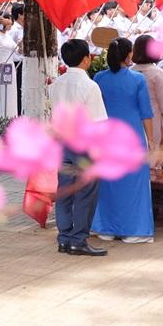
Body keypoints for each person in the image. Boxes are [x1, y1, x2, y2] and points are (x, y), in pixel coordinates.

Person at [90, 37, 156, 244]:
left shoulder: (99, 78)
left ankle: (106, 228)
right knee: (134, 185)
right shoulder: (137, 79)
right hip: (132, 138)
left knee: (108, 183)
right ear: (128, 54)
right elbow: (146, 113)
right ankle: (135, 230)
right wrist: (151, 141)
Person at [53, 39, 108, 257]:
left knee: (65, 192)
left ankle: (64, 238)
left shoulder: (57, 83)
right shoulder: (90, 86)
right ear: (86, 59)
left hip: (62, 142)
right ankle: (78, 240)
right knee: (86, 193)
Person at [131, 34, 163, 156]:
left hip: (135, 118)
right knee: (155, 154)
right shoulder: (157, 73)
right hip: (154, 118)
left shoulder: (130, 71)